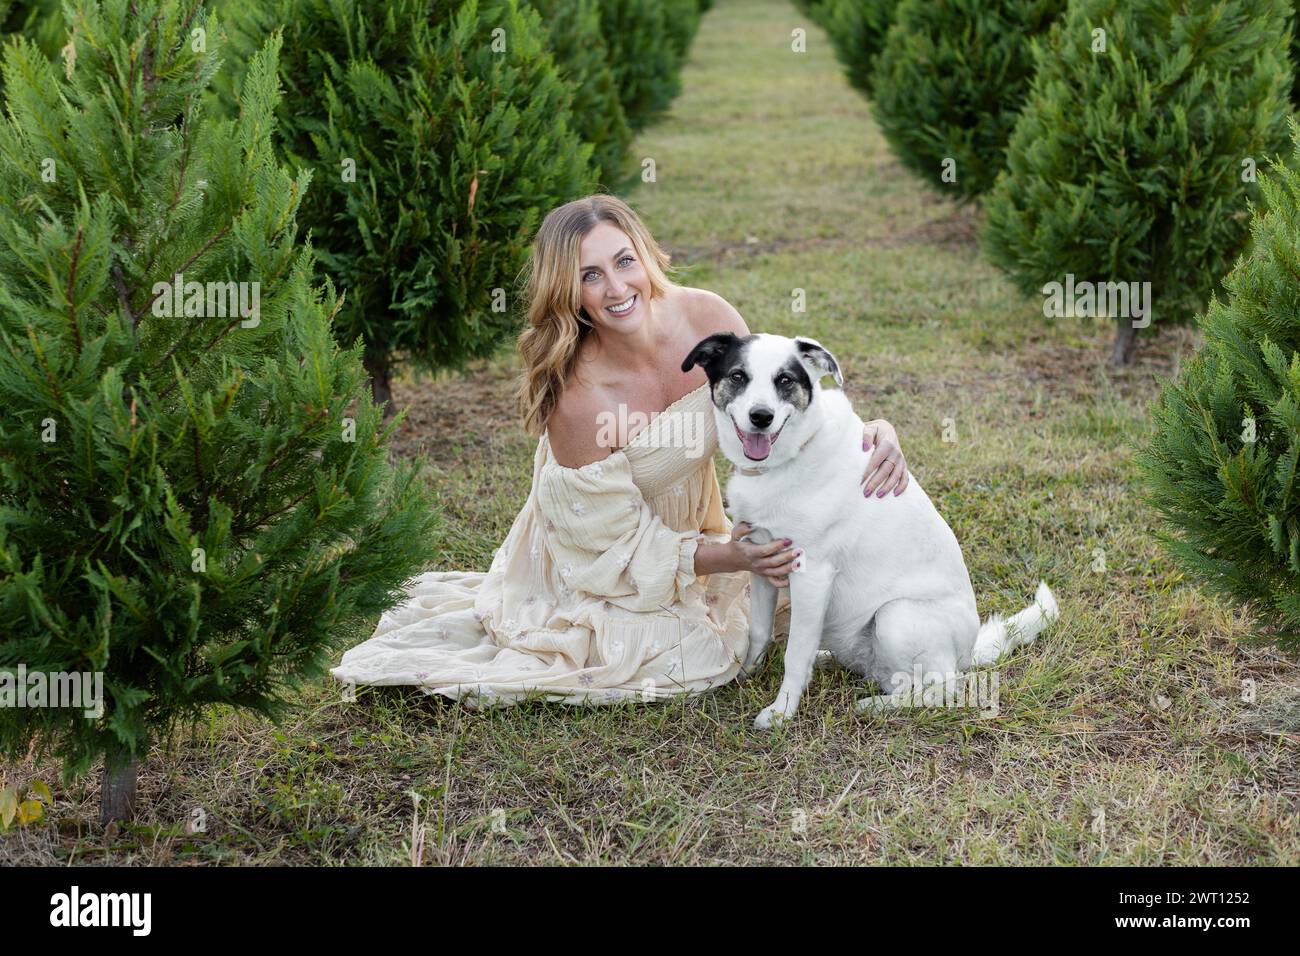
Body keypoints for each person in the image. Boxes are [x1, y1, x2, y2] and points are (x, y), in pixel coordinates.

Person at [330, 194, 909, 708]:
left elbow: (774, 398)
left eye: (623, 261)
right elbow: (605, 542)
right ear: (568, 291)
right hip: (602, 557)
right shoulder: (579, 398)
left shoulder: (708, 316)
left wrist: (871, 431)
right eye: (591, 275)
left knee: (828, 589)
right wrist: (729, 559)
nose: (617, 288)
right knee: (672, 656)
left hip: (699, 527)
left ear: (645, 255)